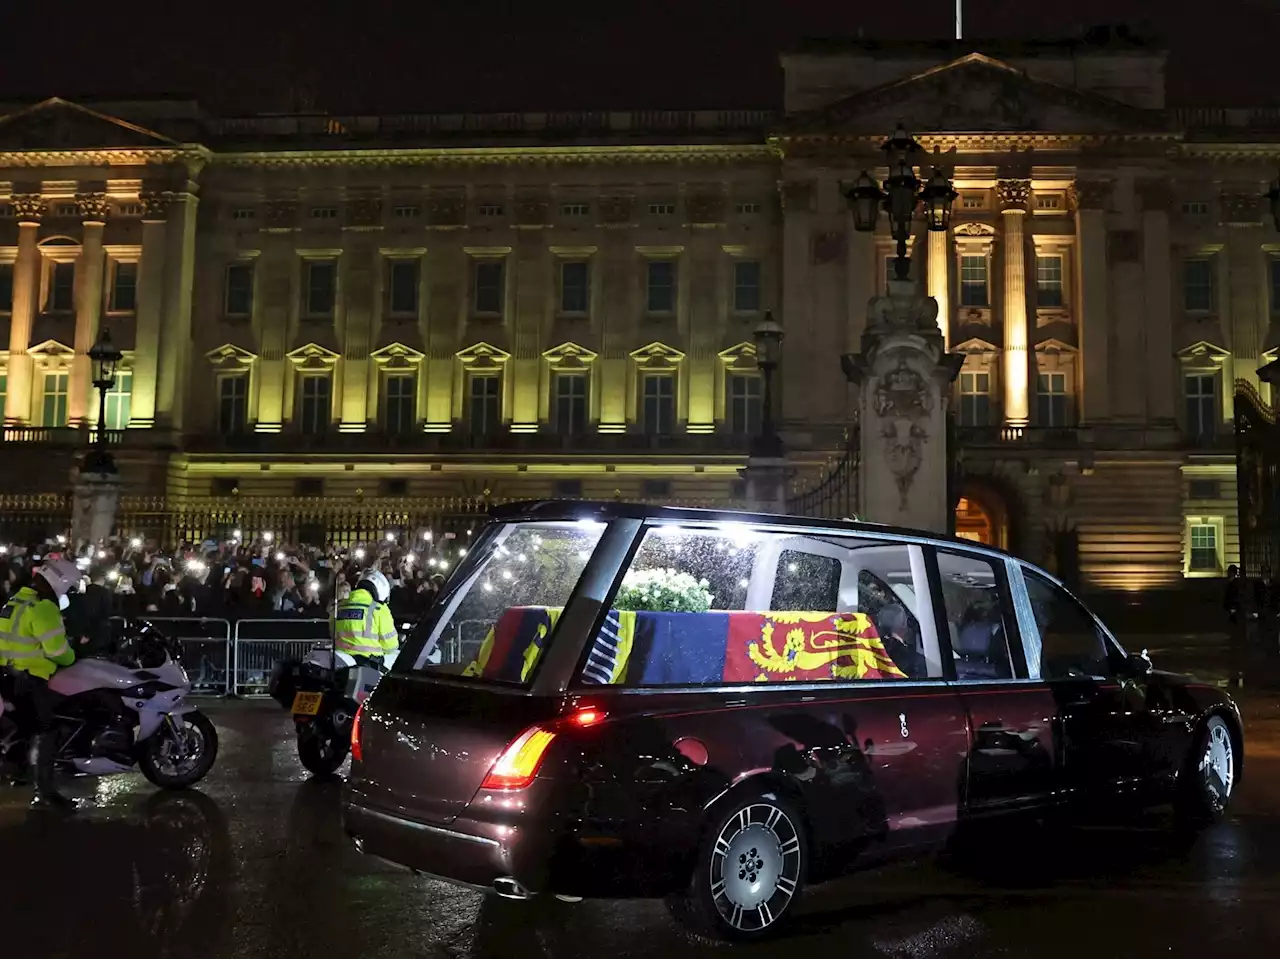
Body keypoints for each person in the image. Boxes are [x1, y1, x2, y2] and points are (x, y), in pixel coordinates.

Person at [0, 557, 80, 807]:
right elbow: (59, 653)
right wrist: (75, 654)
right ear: (59, 583)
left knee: (25, 726)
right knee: (50, 728)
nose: (66, 593)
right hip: (29, 680)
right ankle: (47, 792)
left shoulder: (15, 601)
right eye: (67, 588)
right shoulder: (43, 608)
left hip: (7, 676)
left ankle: (19, 769)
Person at [332, 568, 399, 668]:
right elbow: (390, 647)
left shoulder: (339, 606)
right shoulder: (379, 609)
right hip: (370, 664)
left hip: (341, 661)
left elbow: (331, 631)